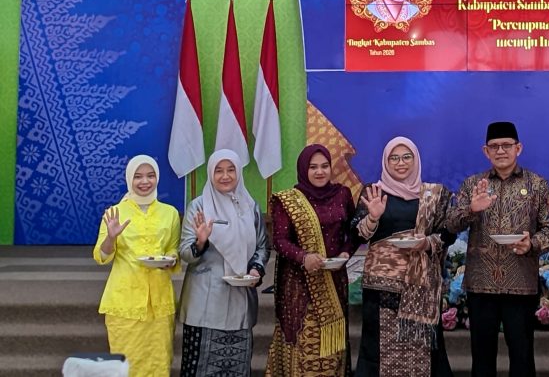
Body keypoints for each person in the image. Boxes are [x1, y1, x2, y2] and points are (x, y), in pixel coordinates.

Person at [445, 121, 549, 377]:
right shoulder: (472, 185)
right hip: (481, 285)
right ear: (485, 151)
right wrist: (471, 209)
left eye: (506, 145)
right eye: (494, 146)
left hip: (521, 283)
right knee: (482, 359)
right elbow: (451, 224)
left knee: (522, 357)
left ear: (519, 148)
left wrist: (532, 243)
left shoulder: (537, 185)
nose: (500, 151)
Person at [353, 136, 454, 377]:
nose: (401, 163)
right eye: (394, 158)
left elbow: (448, 233)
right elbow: (357, 233)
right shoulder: (374, 192)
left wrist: (426, 242)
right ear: (386, 161)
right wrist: (373, 217)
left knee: (423, 348)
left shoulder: (433, 195)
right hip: (381, 286)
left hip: (421, 286)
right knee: (379, 347)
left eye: (406, 157)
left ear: (416, 159)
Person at [267, 144, 359, 377]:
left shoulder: (342, 194)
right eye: (313, 167)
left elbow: (353, 232)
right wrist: (303, 257)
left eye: (324, 166)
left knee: (332, 349)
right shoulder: (288, 201)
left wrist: (345, 253)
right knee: (305, 349)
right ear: (303, 169)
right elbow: (279, 240)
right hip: (300, 286)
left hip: (333, 283)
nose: (320, 172)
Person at [179, 149, 270, 377]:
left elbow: (262, 247)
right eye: (219, 171)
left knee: (237, 367)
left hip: (240, 299)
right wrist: (200, 241)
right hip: (204, 303)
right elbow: (185, 253)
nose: (225, 176)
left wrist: (255, 270)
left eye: (231, 170)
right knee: (199, 367)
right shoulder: (198, 207)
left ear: (239, 173)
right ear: (211, 174)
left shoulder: (250, 207)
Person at [91, 155, 180, 377]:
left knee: (159, 361)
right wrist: (111, 237)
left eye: (150, 176)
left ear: (157, 178)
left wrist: (170, 259)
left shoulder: (169, 213)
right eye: (138, 176)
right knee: (127, 363)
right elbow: (101, 256)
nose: (144, 181)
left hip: (159, 300)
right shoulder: (115, 212)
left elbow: (173, 248)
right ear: (129, 179)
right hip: (125, 301)